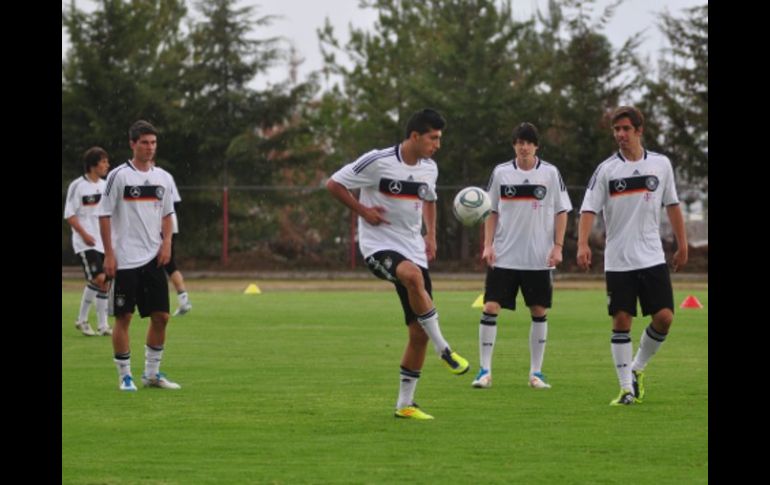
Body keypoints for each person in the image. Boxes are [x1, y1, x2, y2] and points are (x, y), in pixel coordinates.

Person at [326, 108, 469, 420]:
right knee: (412, 277)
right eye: (433, 138)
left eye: (440, 138)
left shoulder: (430, 168)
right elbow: (333, 184)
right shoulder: (377, 161)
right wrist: (363, 211)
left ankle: (405, 404)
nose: (438, 144)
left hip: (414, 249)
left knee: (417, 333)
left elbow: (429, 199)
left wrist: (430, 235)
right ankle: (443, 347)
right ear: (415, 136)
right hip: (378, 247)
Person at [577, 106, 688, 406]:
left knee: (664, 318)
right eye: (616, 130)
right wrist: (582, 244)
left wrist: (683, 244)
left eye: (626, 129)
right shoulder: (606, 170)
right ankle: (626, 388)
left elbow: (673, 205)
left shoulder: (661, 165)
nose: (620, 135)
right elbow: (588, 208)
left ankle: (637, 368)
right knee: (622, 320)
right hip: (618, 260)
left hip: (652, 257)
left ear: (639, 130)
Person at [471, 122, 572, 390]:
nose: (524, 146)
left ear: (536, 146)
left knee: (538, 311)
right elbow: (490, 211)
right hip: (503, 256)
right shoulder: (501, 173)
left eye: (529, 142)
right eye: (519, 142)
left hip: (538, 258)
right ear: (514, 145)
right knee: (490, 307)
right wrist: (488, 245)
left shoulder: (550, 173)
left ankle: (536, 373)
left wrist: (558, 246)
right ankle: (484, 371)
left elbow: (562, 211)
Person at [99, 120, 181, 392]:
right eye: (144, 142)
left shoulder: (164, 178)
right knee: (124, 318)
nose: (149, 148)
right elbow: (104, 214)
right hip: (124, 259)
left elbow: (168, 214)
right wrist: (109, 254)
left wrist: (167, 242)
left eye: (153, 143)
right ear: (132, 144)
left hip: (153, 257)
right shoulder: (119, 176)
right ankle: (125, 376)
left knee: (162, 317)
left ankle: (152, 374)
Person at [64, 147, 113, 337]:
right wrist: (83, 234)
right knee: (98, 278)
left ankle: (103, 325)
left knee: (105, 282)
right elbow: (70, 214)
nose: (107, 165)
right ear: (93, 165)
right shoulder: (77, 186)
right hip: (85, 242)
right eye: (103, 162)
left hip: (103, 242)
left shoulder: (105, 186)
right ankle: (82, 320)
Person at [152, 161, 192, 316]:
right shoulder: (166, 175)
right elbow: (176, 203)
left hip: (162, 226)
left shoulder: (162, 176)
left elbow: (174, 205)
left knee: (163, 263)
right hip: (166, 225)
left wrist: (162, 221)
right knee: (168, 264)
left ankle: (180, 300)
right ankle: (183, 299)